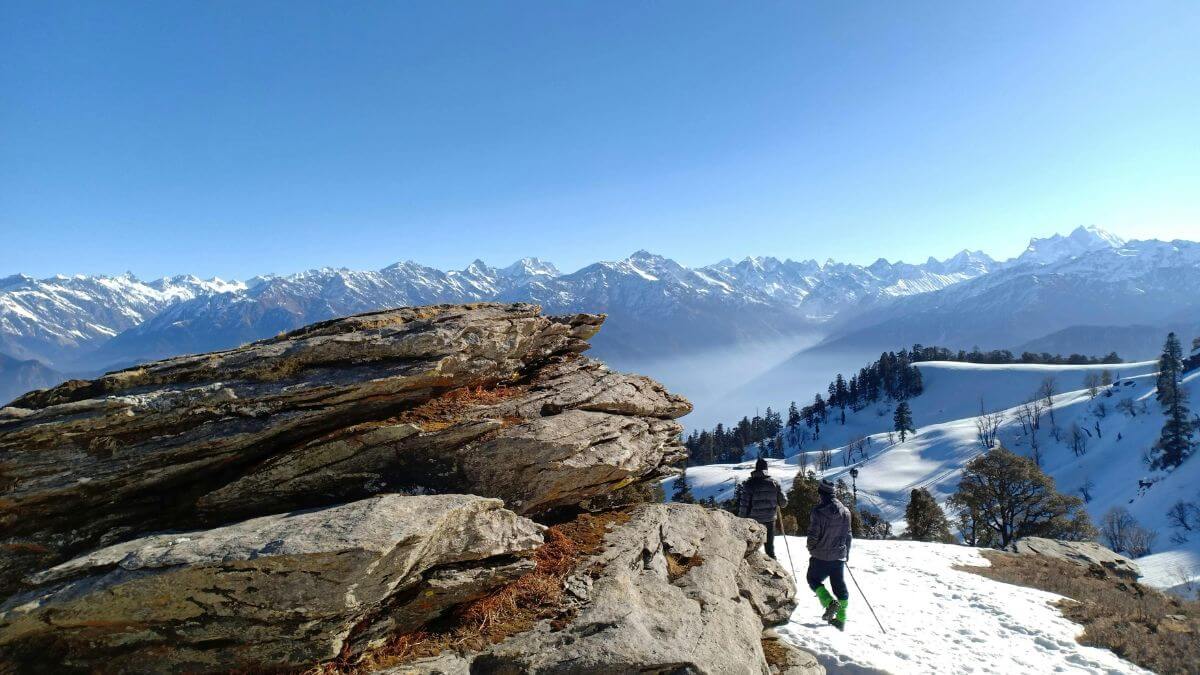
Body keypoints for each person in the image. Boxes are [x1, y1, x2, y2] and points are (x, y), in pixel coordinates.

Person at [806, 478, 852, 630]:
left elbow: (813, 535)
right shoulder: (846, 512)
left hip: (820, 555)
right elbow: (848, 535)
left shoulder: (818, 512)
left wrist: (811, 548)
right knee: (839, 586)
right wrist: (846, 553)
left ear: (821, 493)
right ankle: (841, 619)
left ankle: (829, 603)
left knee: (813, 579)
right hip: (839, 555)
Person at [737, 457, 787, 559]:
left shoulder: (749, 484)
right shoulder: (774, 483)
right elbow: (783, 503)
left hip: (753, 522)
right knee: (769, 548)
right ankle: (773, 566)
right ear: (766, 469)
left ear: (756, 469)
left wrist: (740, 521)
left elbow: (744, 506)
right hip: (769, 520)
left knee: (749, 548)